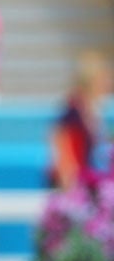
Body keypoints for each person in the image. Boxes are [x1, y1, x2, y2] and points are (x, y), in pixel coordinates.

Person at [47, 50, 112, 189]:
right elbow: (61, 141)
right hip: (77, 185)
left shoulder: (92, 108)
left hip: (92, 181)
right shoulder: (75, 110)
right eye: (104, 78)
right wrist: (70, 184)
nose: (109, 82)